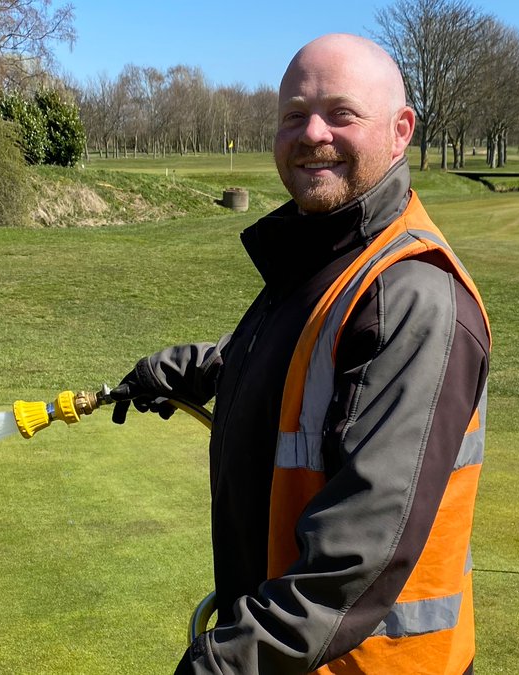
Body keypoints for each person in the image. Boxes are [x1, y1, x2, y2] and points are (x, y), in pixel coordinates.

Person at [112, 33, 491, 674]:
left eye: (341, 113)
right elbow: (308, 375)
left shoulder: (412, 294)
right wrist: (186, 370)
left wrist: (225, 664)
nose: (313, 132)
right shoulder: (325, 256)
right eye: (294, 115)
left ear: (400, 132)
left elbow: (355, 556)